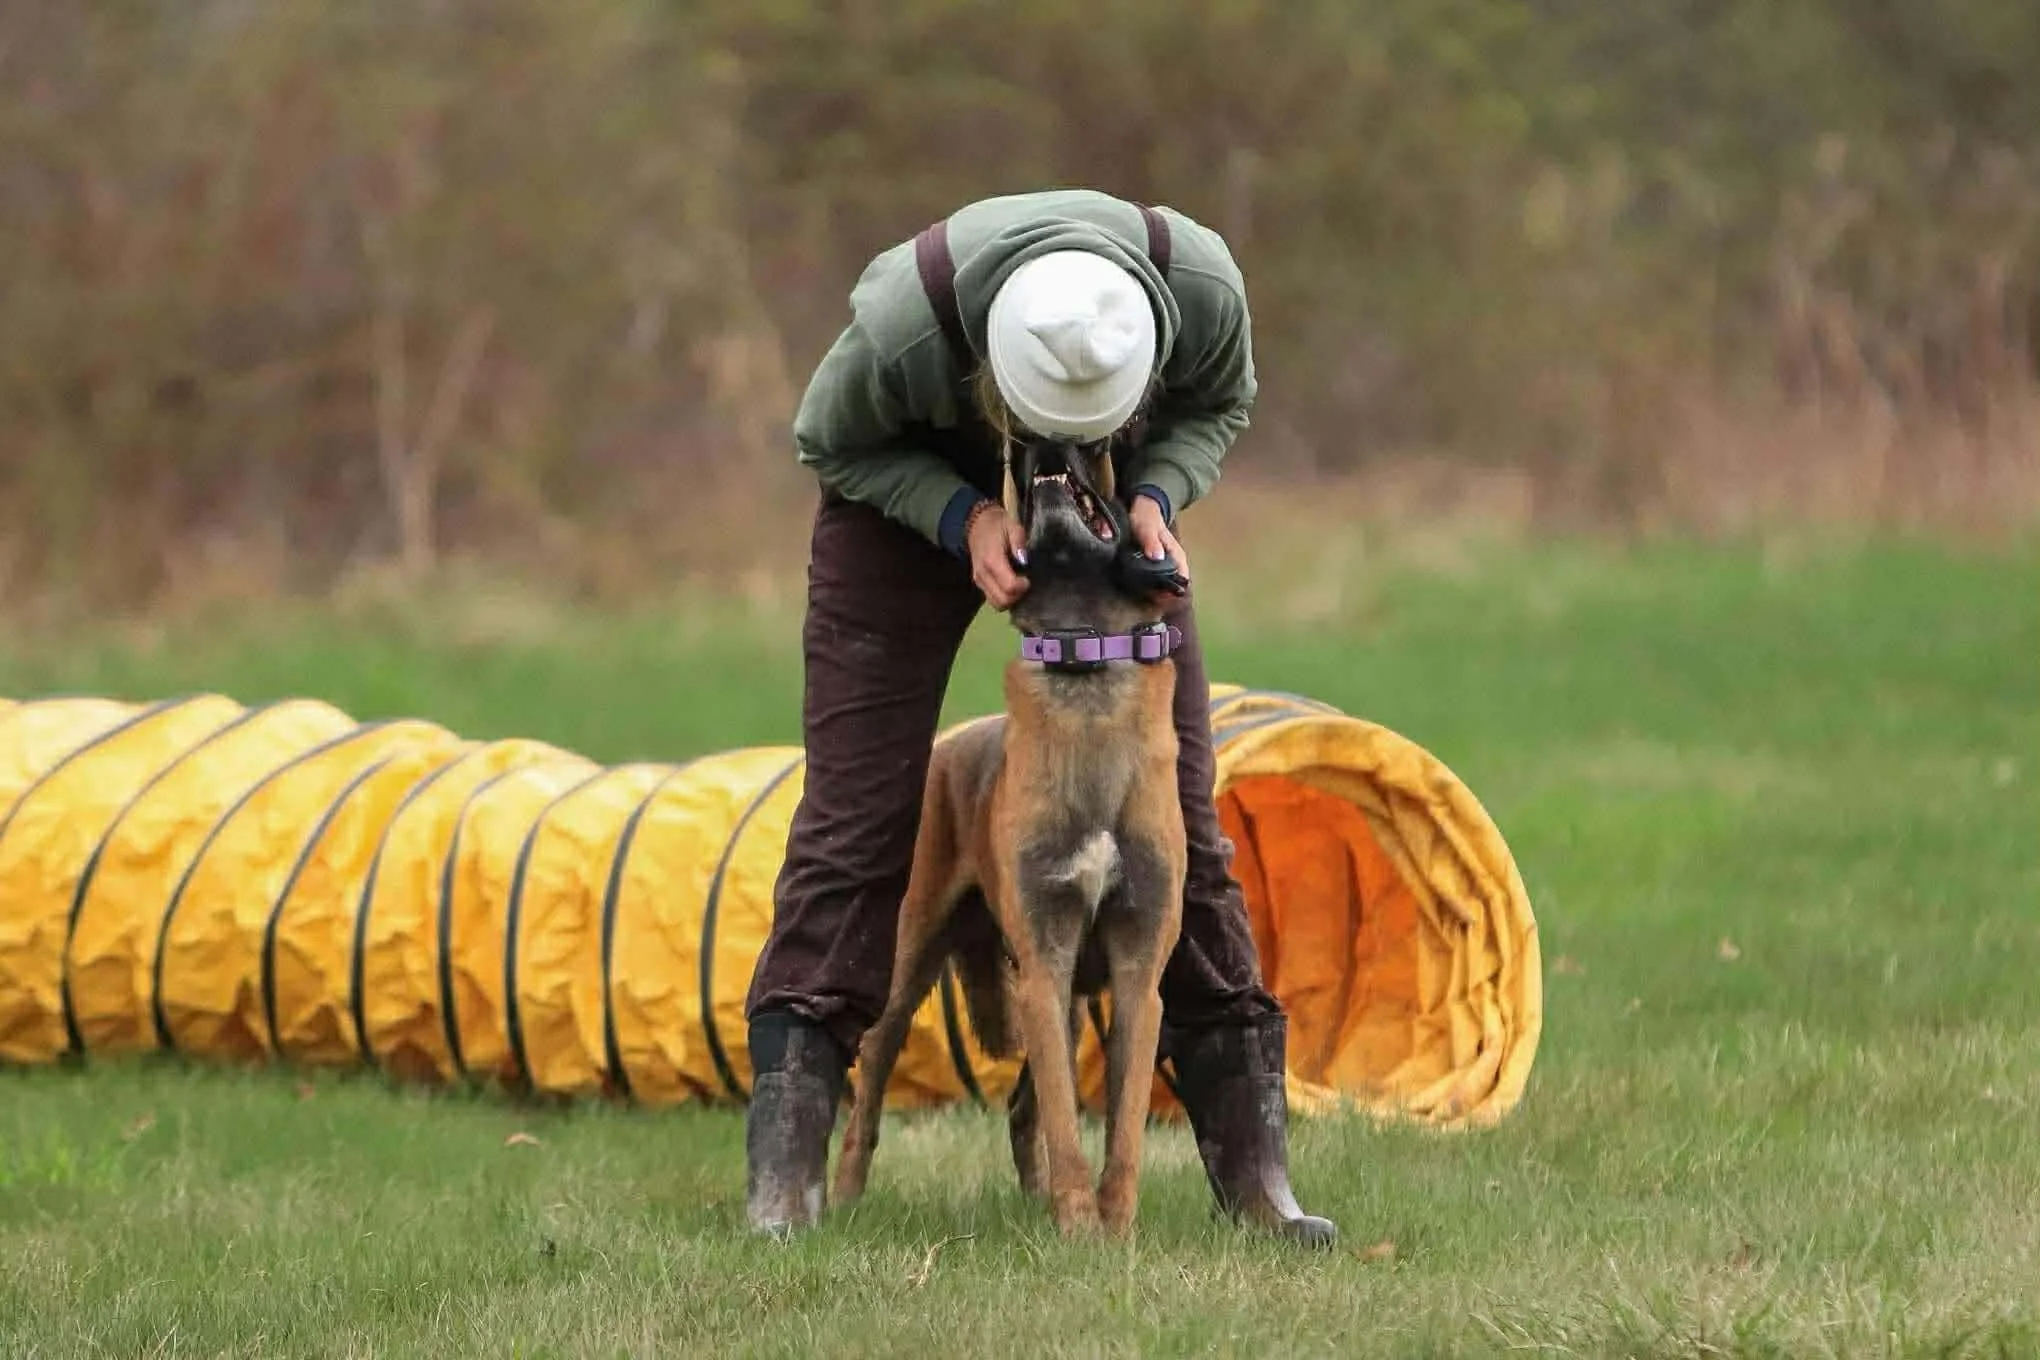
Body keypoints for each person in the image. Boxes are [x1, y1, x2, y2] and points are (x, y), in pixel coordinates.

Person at [741, 188, 1336, 1247]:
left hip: (1119, 524)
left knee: (1187, 827)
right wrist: (962, 513)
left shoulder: (1198, 283)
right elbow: (826, 440)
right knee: (855, 824)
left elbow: (1221, 406)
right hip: (905, 496)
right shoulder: (903, 325)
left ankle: (1258, 1177)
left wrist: (1154, 489)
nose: (1062, 454)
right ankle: (786, 1184)